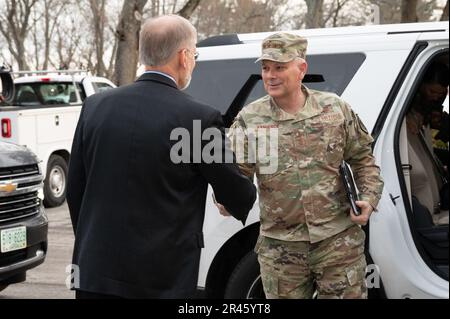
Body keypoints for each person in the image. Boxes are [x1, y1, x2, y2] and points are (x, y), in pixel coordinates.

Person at [67, 14, 256, 299]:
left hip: (94, 272)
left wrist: (91, 240)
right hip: (162, 278)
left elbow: (74, 189)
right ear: (183, 56)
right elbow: (238, 194)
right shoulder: (199, 119)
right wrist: (231, 199)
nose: (193, 61)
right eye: (195, 54)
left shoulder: (95, 106)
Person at [219, 33, 384, 299]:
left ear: (301, 69)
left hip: (338, 244)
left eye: (279, 67)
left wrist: (368, 198)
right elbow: (235, 177)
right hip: (282, 251)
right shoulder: (250, 119)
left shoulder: (335, 110)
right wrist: (226, 199)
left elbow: (364, 160)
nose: (270, 75)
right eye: (265, 68)